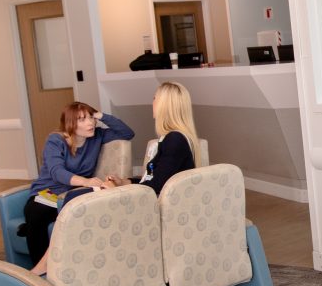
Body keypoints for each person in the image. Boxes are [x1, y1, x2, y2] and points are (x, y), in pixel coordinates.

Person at [23, 102, 134, 273]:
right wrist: (86, 182)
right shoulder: (56, 140)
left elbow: (127, 133)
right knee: (36, 213)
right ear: (70, 124)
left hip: (73, 193)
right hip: (49, 191)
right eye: (82, 120)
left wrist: (101, 116)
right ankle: (41, 272)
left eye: (91, 118)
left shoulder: (97, 136)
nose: (90, 123)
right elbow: (56, 172)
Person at [104, 81, 201, 195]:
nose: (152, 103)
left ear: (164, 105)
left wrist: (116, 190)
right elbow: (153, 179)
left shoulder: (175, 140)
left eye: (155, 98)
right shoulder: (172, 138)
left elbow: (154, 188)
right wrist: (125, 182)